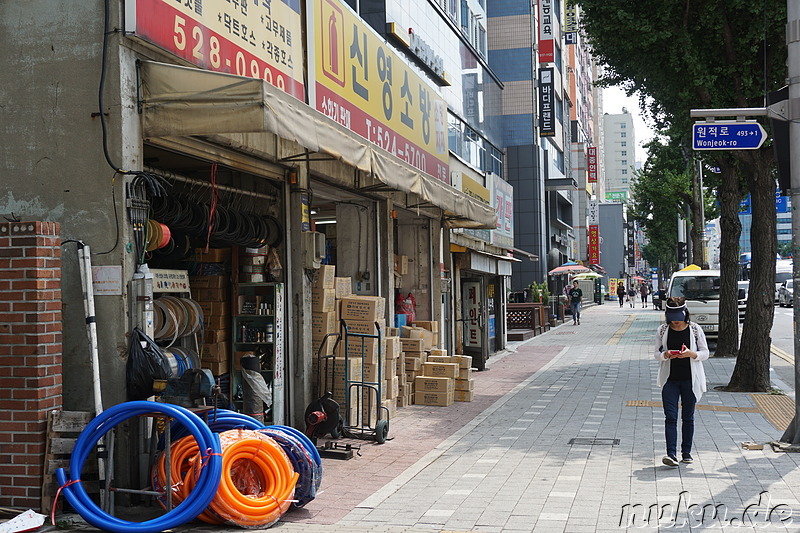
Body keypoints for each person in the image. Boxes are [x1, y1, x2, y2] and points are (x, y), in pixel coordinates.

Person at [653, 297, 709, 467]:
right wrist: (666, 354)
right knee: (670, 417)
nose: (675, 322)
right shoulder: (663, 330)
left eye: (678, 317)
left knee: (688, 417)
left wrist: (692, 354)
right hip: (670, 380)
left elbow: (705, 352)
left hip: (690, 380)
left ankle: (686, 452)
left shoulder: (695, 329)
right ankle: (671, 454)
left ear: (685, 314)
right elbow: (657, 353)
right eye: (672, 318)